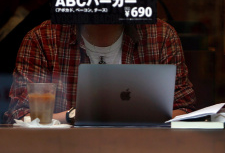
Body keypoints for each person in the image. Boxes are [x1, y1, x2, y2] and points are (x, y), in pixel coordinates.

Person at [3, 19, 196, 124]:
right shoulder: (43, 39)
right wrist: (73, 115)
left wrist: (136, 116)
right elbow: (19, 114)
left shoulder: (160, 36)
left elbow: (186, 109)